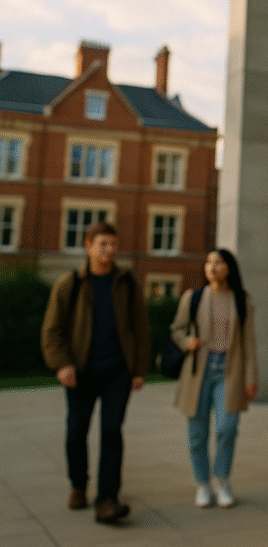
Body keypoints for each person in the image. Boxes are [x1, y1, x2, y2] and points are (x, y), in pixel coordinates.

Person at [41, 221, 150, 524]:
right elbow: (51, 331)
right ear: (88, 247)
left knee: (112, 432)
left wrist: (139, 369)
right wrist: (62, 364)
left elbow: (140, 329)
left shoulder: (127, 283)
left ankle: (107, 499)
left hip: (117, 372)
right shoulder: (70, 284)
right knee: (76, 432)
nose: (109, 250)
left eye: (113, 244)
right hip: (80, 372)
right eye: (102, 244)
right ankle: (79, 484)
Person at [170, 249, 257, 508]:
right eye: (208, 262)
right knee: (197, 433)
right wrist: (187, 342)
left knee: (227, 428)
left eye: (218, 262)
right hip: (199, 370)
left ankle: (222, 481)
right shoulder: (193, 297)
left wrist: (251, 377)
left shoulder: (242, 300)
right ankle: (203, 485)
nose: (212, 266)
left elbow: (249, 343)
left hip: (229, 372)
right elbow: (176, 329)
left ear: (229, 267)